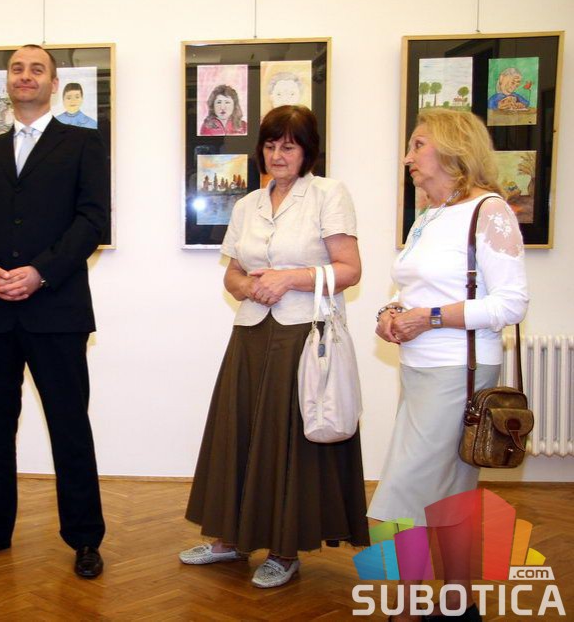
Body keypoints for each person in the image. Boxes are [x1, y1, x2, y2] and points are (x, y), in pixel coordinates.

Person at [181, 105, 369, 588]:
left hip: (303, 334)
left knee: (289, 444)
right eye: (270, 145)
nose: (278, 155)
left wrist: (288, 279)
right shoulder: (247, 205)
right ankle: (230, 540)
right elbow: (232, 273)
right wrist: (247, 286)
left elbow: (350, 269)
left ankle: (285, 551)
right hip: (250, 332)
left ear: (308, 151)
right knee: (238, 435)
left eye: (289, 146)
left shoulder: (328, 194)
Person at [0, 44, 109, 579]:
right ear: (7, 82)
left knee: (70, 427)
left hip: (57, 310)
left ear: (53, 82)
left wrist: (41, 271)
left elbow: (92, 221)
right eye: (17, 69)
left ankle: (84, 538)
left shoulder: (83, 143)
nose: (26, 76)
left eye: (36, 69)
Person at [370, 108, 528, 621]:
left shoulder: (490, 211)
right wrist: (391, 313)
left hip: (459, 374)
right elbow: (414, 289)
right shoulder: (429, 215)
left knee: (400, 496)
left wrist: (429, 318)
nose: (408, 157)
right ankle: (460, 603)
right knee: (450, 494)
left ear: (453, 147)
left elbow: (511, 304)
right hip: (421, 371)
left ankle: (405, 610)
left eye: (418, 145)